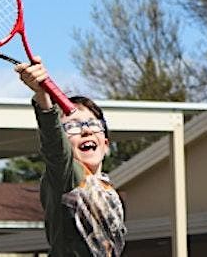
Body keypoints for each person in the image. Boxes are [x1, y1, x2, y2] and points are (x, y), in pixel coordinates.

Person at [16, 59, 126, 257]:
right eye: (72, 126)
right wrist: (43, 96)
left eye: (93, 124)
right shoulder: (68, 177)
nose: (85, 131)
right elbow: (56, 150)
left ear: (106, 144)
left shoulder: (107, 190)